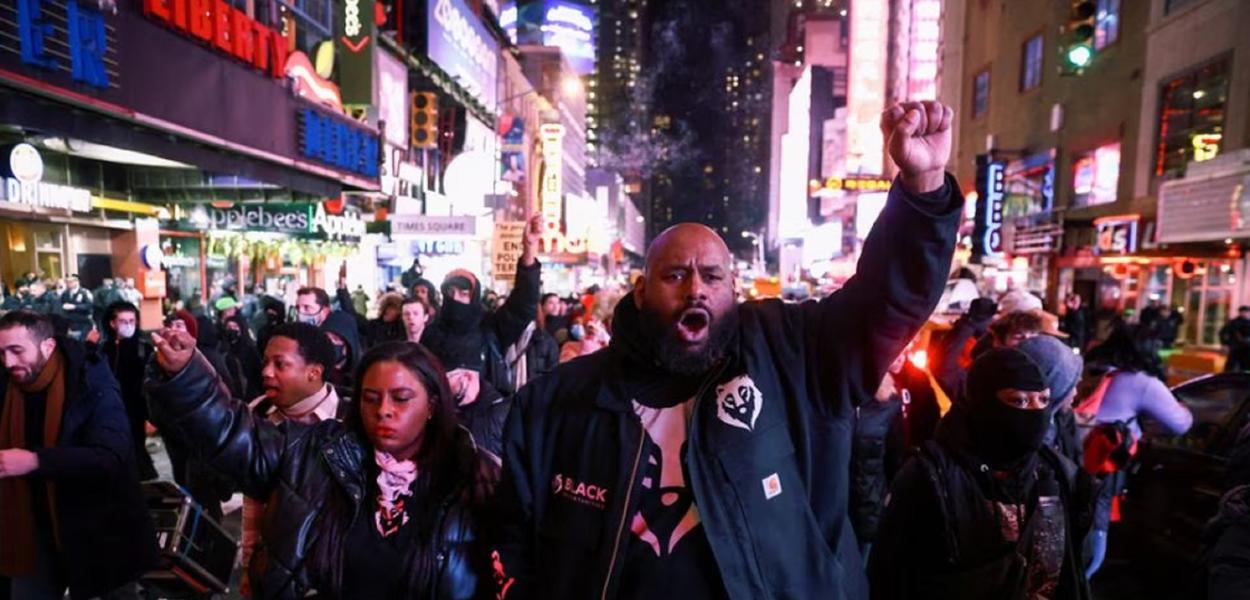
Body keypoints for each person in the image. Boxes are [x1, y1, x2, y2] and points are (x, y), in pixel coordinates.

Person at [494, 100, 961, 598]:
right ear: (640, 291)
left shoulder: (792, 354)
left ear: (732, 290)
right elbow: (515, 544)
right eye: (675, 275)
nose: (695, 289)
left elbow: (887, 299)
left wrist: (922, 191)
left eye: (712, 276)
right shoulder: (556, 403)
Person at [145, 334, 498, 599]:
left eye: (401, 399)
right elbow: (230, 433)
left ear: (433, 403)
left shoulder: (475, 475)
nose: (384, 410)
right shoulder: (312, 451)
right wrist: (186, 372)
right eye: (370, 399)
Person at [869, 340, 1093, 600]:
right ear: (983, 403)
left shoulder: (1055, 473)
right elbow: (890, 577)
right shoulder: (930, 478)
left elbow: (1071, 572)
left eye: (1043, 400)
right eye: (1019, 401)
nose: (1035, 412)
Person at [0, 310, 158, 599]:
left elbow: (111, 455)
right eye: (2, 352)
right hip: (32, 530)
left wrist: (34, 461)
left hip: (101, 528)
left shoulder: (90, 379)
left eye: (16, 351)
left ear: (47, 346)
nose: (8, 362)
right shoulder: (8, 385)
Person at [238, 323, 348, 597]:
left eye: (280, 364)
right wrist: (250, 565)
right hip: (274, 573)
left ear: (314, 372)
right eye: (265, 362)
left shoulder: (351, 418)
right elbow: (253, 502)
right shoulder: (258, 413)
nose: (266, 372)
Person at [1077, 328, 1194, 578]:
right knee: (1091, 551)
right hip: (1101, 465)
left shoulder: (1092, 368)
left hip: (1066, 454)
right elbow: (1180, 424)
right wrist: (1183, 409)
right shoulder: (1141, 382)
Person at [423, 215, 544, 398]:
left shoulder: (490, 328)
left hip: (485, 420)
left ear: (474, 297)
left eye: (463, 293)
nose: (455, 298)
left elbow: (524, 304)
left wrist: (529, 250)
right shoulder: (431, 334)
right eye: (451, 292)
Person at [849, 353, 907, 557]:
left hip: (868, 503)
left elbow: (896, 457)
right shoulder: (831, 396)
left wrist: (889, 495)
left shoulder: (889, 405)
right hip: (828, 503)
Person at [100, 301, 158, 481]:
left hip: (136, 409)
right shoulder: (103, 349)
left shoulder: (144, 348)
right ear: (112, 323)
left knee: (135, 448)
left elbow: (153, 383)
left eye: (132, 321)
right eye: (123, 321)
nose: (128, 326)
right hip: (109, 409)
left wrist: (152, 416)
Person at [321, 310, 364, 398]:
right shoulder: (314, 370)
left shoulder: (361, 376)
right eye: (326, 338)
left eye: (336, 339)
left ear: (347, 345)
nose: (330, 343)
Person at [222, 313, 264, 401]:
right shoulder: (223, 349)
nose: (231, 329)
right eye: (229, 327)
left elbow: (258, 374)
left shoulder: (250, 349)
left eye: (235, 326)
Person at [59, 276, 93, 341]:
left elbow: (89, 305)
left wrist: (75, 306)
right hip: (70, 322)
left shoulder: (84, 292)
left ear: (76, 282)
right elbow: (60, 304)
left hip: (82, 322)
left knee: (81, 342)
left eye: (71, 282)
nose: (69, 284)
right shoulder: (65, 293)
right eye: (67, 282)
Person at [1220, 306, 1250, 372]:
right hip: (1235, 347)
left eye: (1247, 312)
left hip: (1247, 348)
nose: (1245, 313)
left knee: (1245, 367)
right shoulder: (1233, 322)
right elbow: (1222, 333)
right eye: (1243, 312)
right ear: (1240, 312)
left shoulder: (1248, 322)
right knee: (1230, 366)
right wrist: (1225, 344)